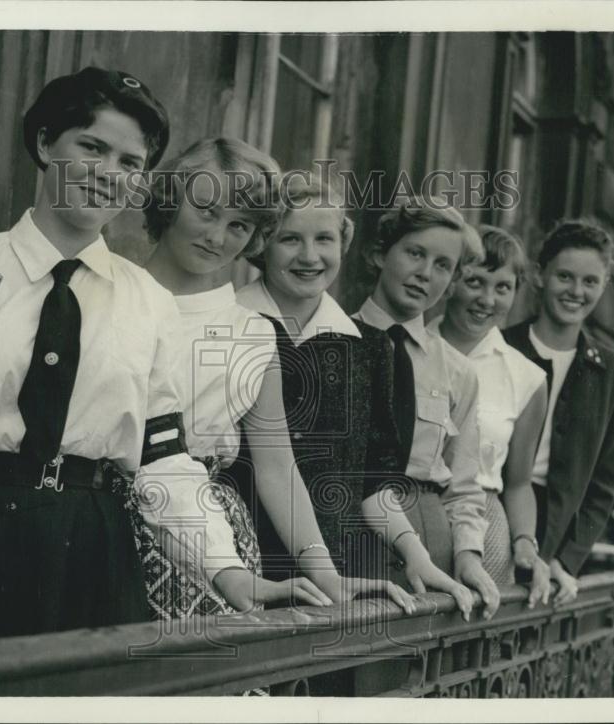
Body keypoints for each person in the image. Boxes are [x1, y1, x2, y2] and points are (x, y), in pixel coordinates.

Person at [0, 68, 304, 649]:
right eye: (92, 147)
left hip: (96, 550)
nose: (108, 175)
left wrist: (230, 571)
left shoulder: (146, 302)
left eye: (129, 162)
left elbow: (162, 460)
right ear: (45, 144)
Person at [143, 139, 415, 614]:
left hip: (213, 536)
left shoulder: (251, 331)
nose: (217, 236)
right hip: (110, 516)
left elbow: (277, 468)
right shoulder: (109, 294)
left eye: (239, 226)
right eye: (206, 212)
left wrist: (326, 576)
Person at [237, 171, 475, 619]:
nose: (310, 256)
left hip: (339, 568)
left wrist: (416, 555)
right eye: (290, 239)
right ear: (261, 244)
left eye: (324, 239)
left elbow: (373, 481)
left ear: (343, 245)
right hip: (245, 562)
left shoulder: (371, 347)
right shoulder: (231, 324)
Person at [353, 198, 501, 619]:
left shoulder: (458, 372)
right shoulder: (333, 340)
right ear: (382, 253)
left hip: (430, 532)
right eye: (415, 253)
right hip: (351, 529)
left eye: (443, 266)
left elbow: (465, 485)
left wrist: (468, 556)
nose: (425, 274)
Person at [503, 219, 614, 604]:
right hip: (493, 511)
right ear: (540, 275)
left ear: (603, 286)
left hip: (556, 531)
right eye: (565, 276)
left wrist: (566, 559)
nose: (576, 291)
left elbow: (603, 483)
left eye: (590, 281)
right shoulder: (501, 347)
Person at [438, 224, 552, 608]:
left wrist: (525, 544)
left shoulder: (527, 377)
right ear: (452, 281)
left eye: (502, 287)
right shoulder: (409, 346)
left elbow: (519, 483)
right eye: (475, 282)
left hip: (485, 526)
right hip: (410, 513)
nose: (487, 299)